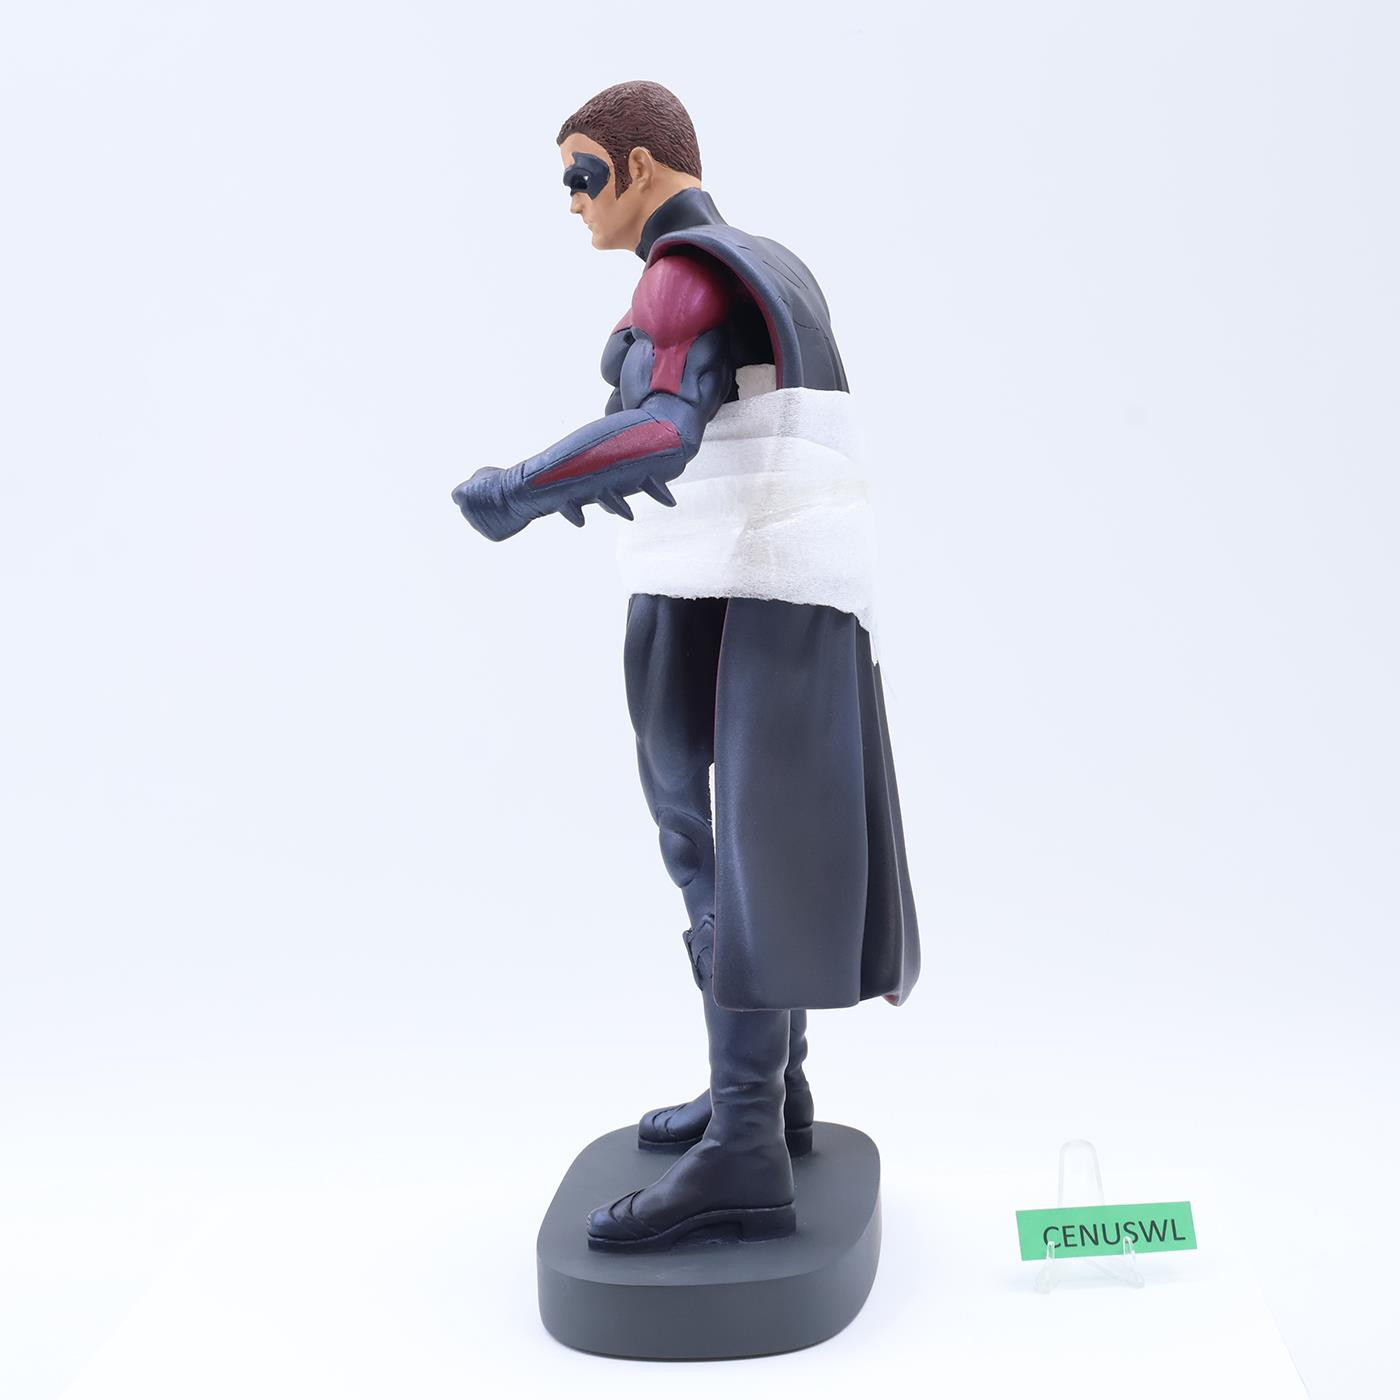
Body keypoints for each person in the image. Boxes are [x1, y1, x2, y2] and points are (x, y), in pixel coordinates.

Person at [453, 80, 919, 1253]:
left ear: (641, 167)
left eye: (582, 174)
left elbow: (663, 431)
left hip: (724, 592)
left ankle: (745, 1145)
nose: (573, 201)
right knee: (749, 847)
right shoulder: (776, 265)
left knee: (715, 854)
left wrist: (518, 487)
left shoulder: (680, 271)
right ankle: (767, 1093)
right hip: (778, 591)